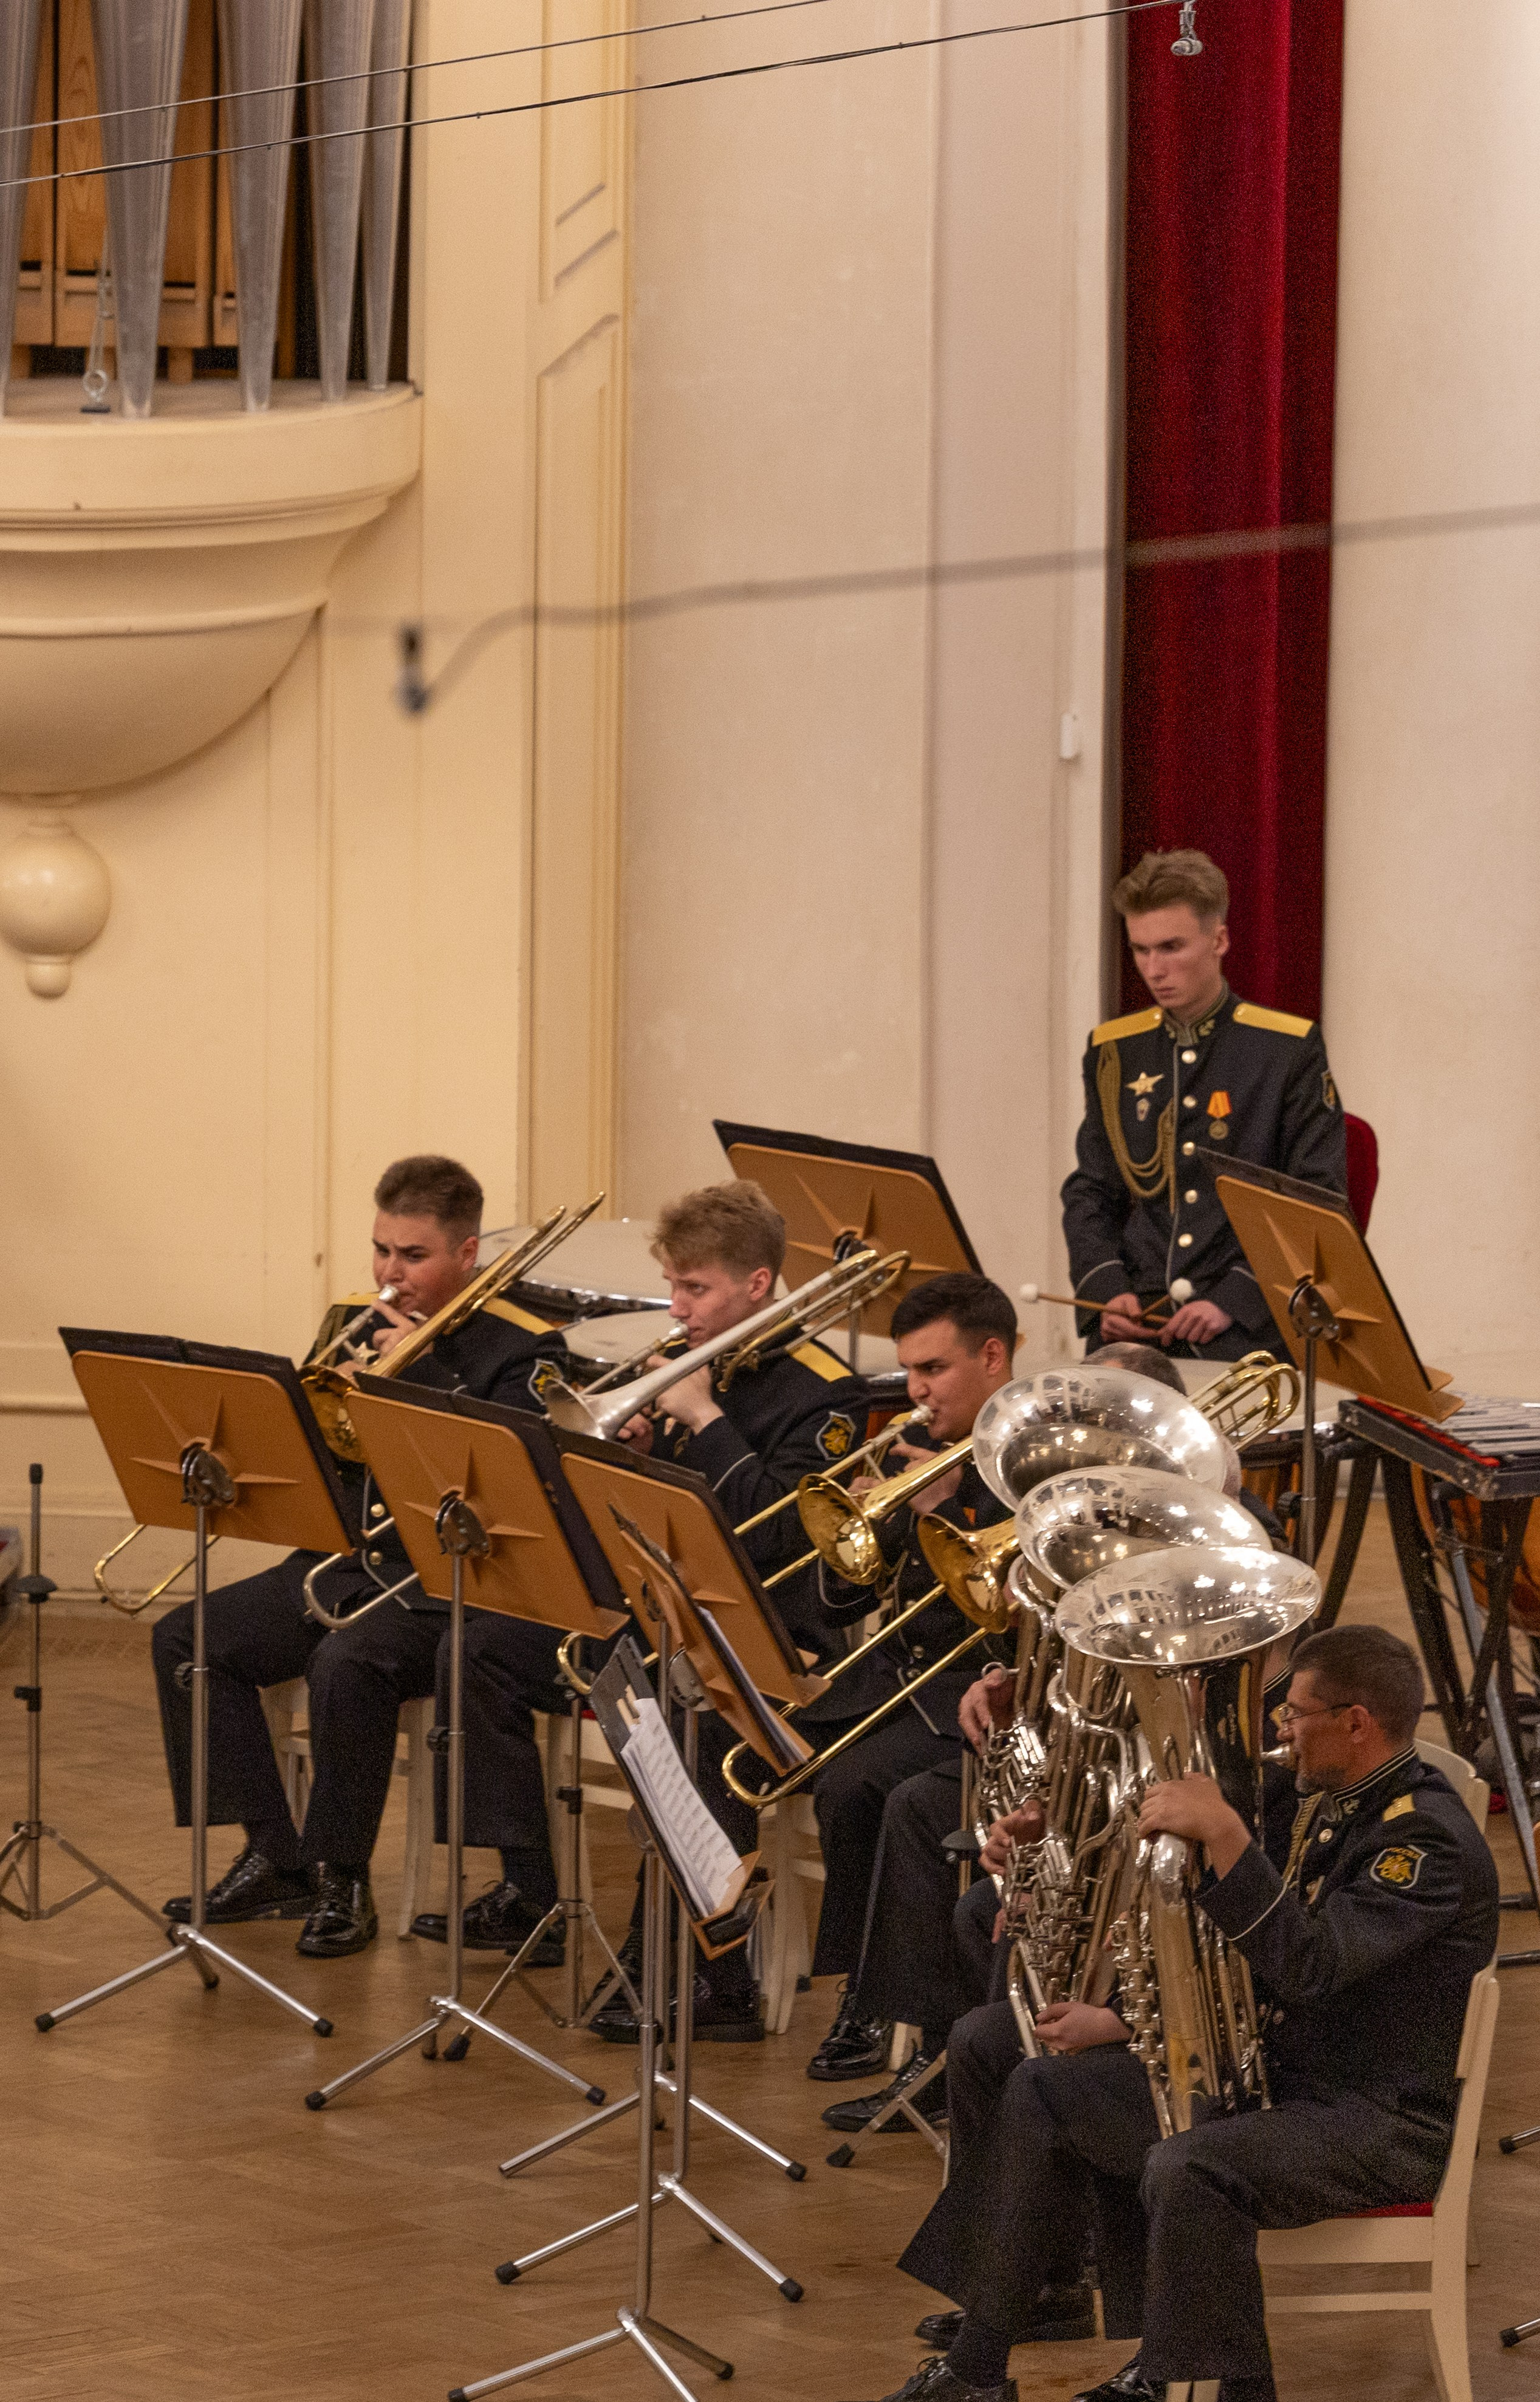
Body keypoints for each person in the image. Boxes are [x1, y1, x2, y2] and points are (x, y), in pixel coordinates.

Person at [847, 1624, 1499, 2402]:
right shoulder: (1326, 1793)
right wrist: (1045, 1845)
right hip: (1285, 2079)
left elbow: (1314, 1967)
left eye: (1295, 1714)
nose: (1280, 1730)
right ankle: (976, 2371)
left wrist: (1224, 1831)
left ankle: (1190, 2382)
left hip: (1372, 2120)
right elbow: (1202, 1905)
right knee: (1045, 2088)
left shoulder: (1424, 1842)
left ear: (1356, 1722)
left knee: (1189, 2161)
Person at [820, 1340, 1278, 2146]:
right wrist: (999, 1679)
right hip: (1088, 1779)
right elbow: (1066, 1663)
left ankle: (1039, 2109)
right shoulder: (1084, 1520)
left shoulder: (1230, 1533)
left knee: (971, 1890)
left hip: (1180, 1795)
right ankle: (999, 2094)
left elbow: (1218, 1705)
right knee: (965, 1879)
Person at [152, 1155, 565, 1960]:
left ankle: (343, 1877)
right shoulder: (352, 1316)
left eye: (412, 1256)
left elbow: (511, 1489)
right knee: (187, 1639)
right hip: (348, 1559)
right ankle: (279, 1853)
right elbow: (317, 1453)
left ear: (467, 1253)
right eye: (381, 1249)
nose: (388, 1272)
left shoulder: (521, 1350)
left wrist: (422, 1373)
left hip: (442, 1586)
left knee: (347, 1663)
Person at [529, 1180, 866, 2041]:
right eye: (673, 1288)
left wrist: (707, 1421)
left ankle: (710, 1974)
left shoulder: (823, 1393)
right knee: (607, 1670)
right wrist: (645, 1452)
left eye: (694, 1289)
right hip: (692, 1621)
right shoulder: (701, 1363)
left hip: (781, 1640)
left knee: (692, 1717)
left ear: (755, 1286)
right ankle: (660, 1952)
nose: (676, 1309)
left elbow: (787, 1541)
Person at [800, 1273, 1018, 2084]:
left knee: (861, 1788)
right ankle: (745, 1974)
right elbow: (835, 1604)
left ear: (991, 1356)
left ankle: (872, 2000)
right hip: (895, 1682)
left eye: (932, 1369)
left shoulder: (1030, 1456)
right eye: (908, 1372)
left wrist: (947, 1514)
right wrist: (875, 1516)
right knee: (768, 1748)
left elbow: (1010, 1611)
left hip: (971, 1693)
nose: (915, 1392)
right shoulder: (910, 1447)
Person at [1061, 848, 1348, 1361]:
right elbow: (1091, 1190)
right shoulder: (1114, 1052)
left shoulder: (1284, 1049)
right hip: (1136, 1317)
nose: (1153, 969)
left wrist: (1234, 1300)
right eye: (1140, 950)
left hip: (1243, 1324)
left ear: (1218, 940)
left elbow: (1315, 1197)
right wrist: (1105, 1289)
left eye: (1171, 947)